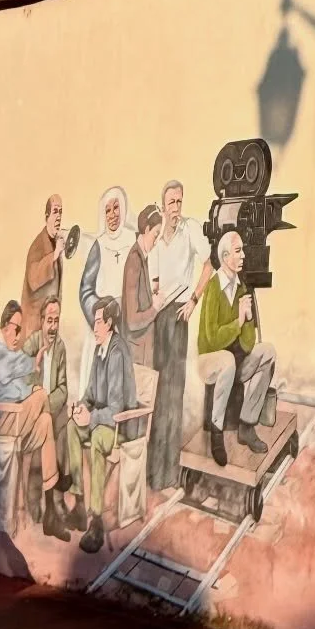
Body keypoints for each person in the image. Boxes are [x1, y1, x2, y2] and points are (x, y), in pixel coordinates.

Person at [147, 179, 215, 490]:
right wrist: (155, 294)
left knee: (173, 395)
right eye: (171, 203)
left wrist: (193, 300)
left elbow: (210, 263)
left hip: (178, 316)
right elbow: (156, 278)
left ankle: (169, 473)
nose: (176, 208)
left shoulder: (191, 229)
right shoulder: (158, 238)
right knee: (157, 394)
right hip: (159, 318)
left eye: (179, 202)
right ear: (162, 207)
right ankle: (154, 471)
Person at [63, 296, 141, 555]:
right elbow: (90, 393)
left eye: (98, 322)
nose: (94, 327)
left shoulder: (117, 352)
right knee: (72, 429)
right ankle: (78, 504)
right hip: (101, 419)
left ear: (109, 323)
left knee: (96, 437)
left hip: (120, 426)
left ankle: (96, 520)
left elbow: (117, 407)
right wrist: (80, 407)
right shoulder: (100, 348)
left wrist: (92, 417)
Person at [0, 299, 68, 540]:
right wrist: (34, 362)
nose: (18, 336)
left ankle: (51, 506)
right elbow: (14, 369)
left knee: (45, 422)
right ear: (6, 325)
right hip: (2, 422)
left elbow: (17, 388)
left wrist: (28, 392)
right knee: (41, 394)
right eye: (16, 329)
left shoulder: (55, 348)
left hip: (15, 419)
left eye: (21, 330)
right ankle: (56, 478)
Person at [195, 230, 276, 469]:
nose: (243, 256)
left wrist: (248, 321)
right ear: (225, 256)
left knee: (268, 351)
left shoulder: (242, 287)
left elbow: (249, 344)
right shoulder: (212, 288)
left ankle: (247, 425)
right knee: (228, 360)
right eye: (238, 251)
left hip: (235, 362)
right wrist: (237, 323)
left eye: (242, 250)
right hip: (209, 361)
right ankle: (216, 431)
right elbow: (211, 340)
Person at [22, 294, 84, 526]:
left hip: (51, 410)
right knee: (45, 427)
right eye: (49, 320)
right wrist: (39, 401)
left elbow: (63, 388)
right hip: (32, 413)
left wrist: (47, 405)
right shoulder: (31, 344)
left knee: (63, 431)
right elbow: (21, 379)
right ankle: (34, 495)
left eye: (56, 321)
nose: (53, 326)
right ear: (41, 321)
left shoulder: (61, 348)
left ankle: (57, 500)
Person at [79, 187, 135, 405]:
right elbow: (85, 290)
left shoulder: (134, 240)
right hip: (103, 324)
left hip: (129, 326)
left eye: (116, 208)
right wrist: (105, 314)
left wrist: (126, 308)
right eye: (108, 210)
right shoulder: (98, 245)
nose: (112, 215)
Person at [122, 204, 162, 368]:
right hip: (137, 356)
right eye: (156, 234)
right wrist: (155, 308)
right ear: (146, 230)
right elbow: (132, 321)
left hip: (142, 352)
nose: (157, 240)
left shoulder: (141, 257)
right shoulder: (135, 260)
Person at [19, 195, 65, 338]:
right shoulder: (37, 245)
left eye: (61, 212)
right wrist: (54, 255)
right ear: (47, 216)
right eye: (55, 211)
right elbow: (33, 279)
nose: (58, 217)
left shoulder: (55, 242)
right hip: (34, 326)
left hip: (49, 322)